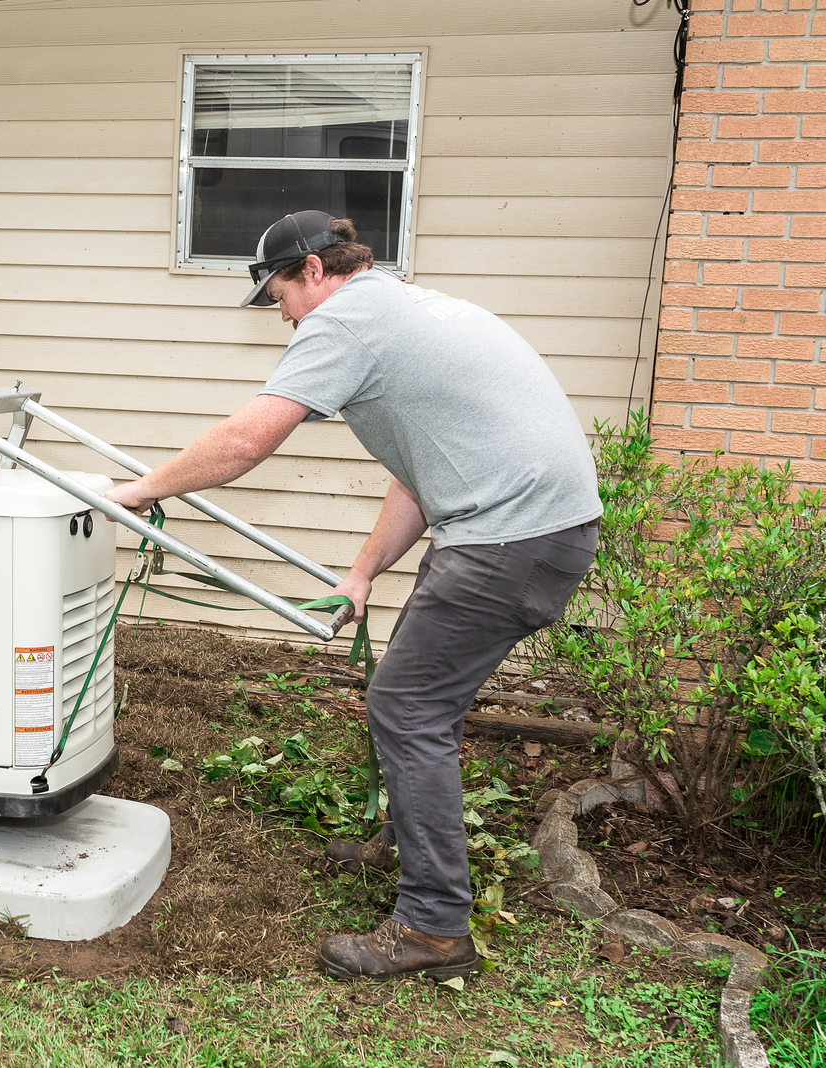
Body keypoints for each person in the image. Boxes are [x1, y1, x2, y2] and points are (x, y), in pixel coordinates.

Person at [105, 210, 600, 982]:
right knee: (409, 699)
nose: (282, 317)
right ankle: (406, 846)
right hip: (512, 530)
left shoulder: (345, 320)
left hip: (512, 538)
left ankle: (435, 928)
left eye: (279, 297)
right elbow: (421, 469)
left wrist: (139, 489)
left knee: (408, 709)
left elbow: (245, 441)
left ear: (313, 271)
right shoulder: (400, 306)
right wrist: (366, 568)